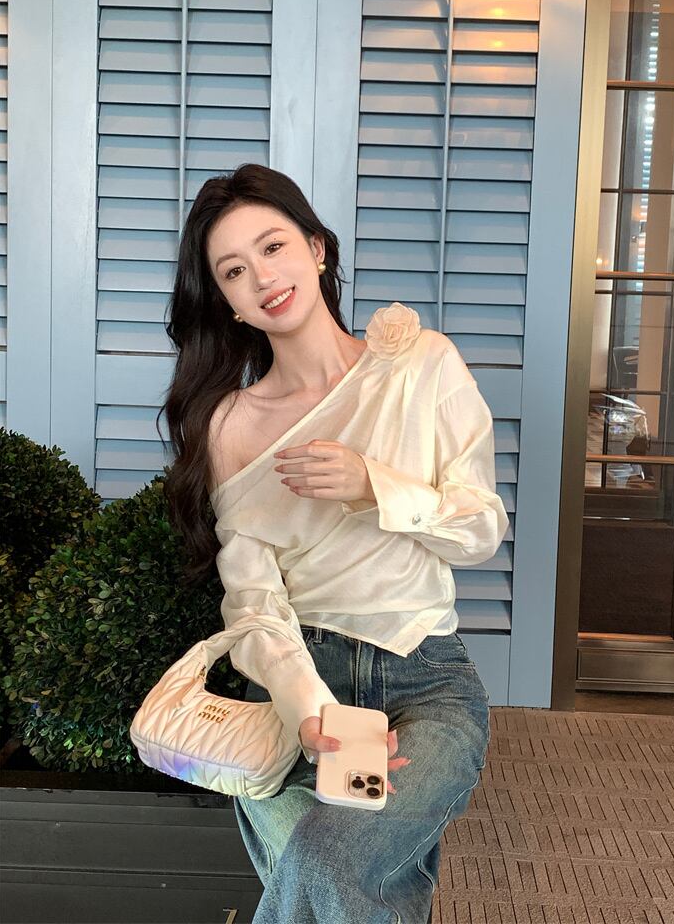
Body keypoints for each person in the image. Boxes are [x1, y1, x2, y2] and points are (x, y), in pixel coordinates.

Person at [159, 163, 510, 923]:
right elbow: (253, 601)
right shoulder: (229, 425)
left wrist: (372, 486)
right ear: (227, 302)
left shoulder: (420, 366)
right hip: (297, 691)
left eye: (273, 247)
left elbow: (481, 529)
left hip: (425, 682)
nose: (263, 277)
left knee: (325, 862)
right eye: (234, 270)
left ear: (317, 249)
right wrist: (308, 709)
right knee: (351, 884)